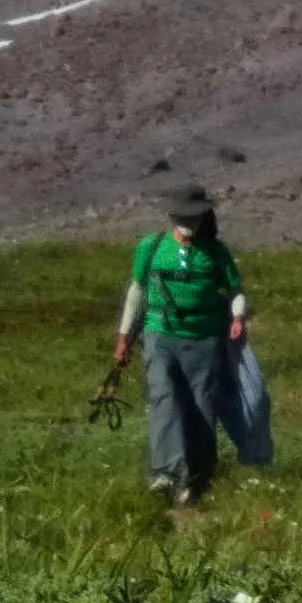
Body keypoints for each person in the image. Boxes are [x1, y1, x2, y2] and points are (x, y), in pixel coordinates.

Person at [116, 184, 262, 504]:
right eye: (184, 216)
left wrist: (237, 317)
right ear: (172, 216)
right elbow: (136, 292)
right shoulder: (151, 248)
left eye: (195, 216)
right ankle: (165, 473)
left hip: (204, 339)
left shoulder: (216, 252)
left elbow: (235, 290)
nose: (189, 222)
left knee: (200, 405)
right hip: (160, 334)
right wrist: (124, 337)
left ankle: (195, 478)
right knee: (164, 398)